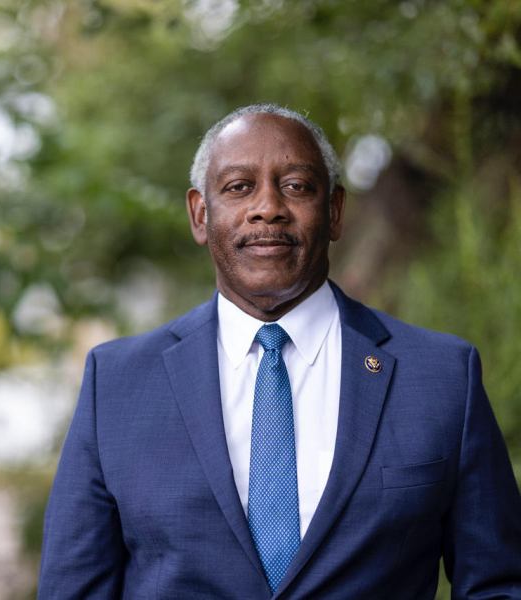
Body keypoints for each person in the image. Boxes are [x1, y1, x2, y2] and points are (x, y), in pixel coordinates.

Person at [37, 104, 521, 599]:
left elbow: (499, 585)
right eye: (238, 187)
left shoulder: (442, 378)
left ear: (333, 212)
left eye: (296, 186)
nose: (268, 207)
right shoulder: (116, 384)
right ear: (200, 215)